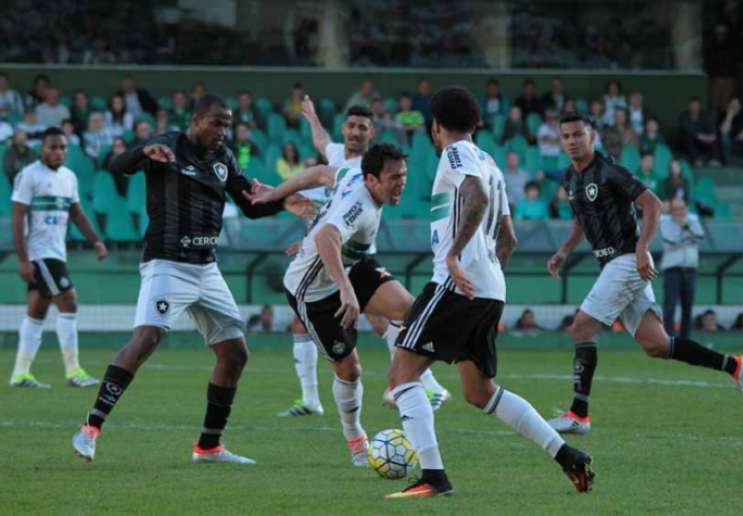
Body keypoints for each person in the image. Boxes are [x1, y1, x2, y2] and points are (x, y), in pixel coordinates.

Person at [71, 94, 308, 464]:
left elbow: (248, 205)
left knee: (235, 354)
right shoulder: (167, 145)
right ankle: (90, 428)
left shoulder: (223, 157)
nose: (222, 131)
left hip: (206, 267)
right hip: (167, 263)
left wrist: (286, 198)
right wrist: (143, 153)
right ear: (196, 120)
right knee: (147, 338)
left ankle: (209, 446)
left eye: (228, 124)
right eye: (216, 122)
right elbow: (117, 165)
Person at [385, 86, 593, 500]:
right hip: (490, 287)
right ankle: (567, 454)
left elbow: (476, 199)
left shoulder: (455, 152)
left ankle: (433, 477)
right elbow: (509, 237)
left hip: (457, 283)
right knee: (480, 392)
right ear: (477, 123)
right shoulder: (491, 163)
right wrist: (487, 275)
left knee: (402, 375)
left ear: (436, 126)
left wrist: (456, 258)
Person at [544, 112, 743, 437]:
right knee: (656, 344)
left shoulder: (610, 171)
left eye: (578, 135)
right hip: (613, 264)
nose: (572, 141)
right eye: (566, 136)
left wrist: (643, 247)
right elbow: (580, 220)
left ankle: (578, 414)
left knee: (582, 327)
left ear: (593, 137)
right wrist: (563, 252)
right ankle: (735, 366)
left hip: (628, 260)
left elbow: (653, 204)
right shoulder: (569, 178)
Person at [254, 144, 428, 466]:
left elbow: (318, 173)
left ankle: (399, 381)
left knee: (414, 312)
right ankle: (356, 439)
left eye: (403, 175)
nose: (401, 183)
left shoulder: (351, 174)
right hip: (313, 291)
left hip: (352, 265)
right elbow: (325, 238)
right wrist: (347, 291)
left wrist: (275, 193)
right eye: (394, 177)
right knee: (350, 371)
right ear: (372, 179)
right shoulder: (359, 205)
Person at [281, 95, 449, 417]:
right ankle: (312, 398)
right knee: (317, 322)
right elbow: (322, 144)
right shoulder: (337, 159)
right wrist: (313, 118)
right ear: (344, 128)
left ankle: (422, 382)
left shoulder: (368, 168)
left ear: (371, 134)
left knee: (389, 317)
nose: (356, 132)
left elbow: (337, 217)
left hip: (356, 259)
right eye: (352, 126)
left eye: (363, 128)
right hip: (331, 257)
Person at [9, 127, 107, 389]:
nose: (58, 152)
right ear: (42, 148)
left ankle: (20, 374)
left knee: (36, 312)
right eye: (53, 147)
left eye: (62, 147)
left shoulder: (69, 177)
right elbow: (17, 219)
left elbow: (77, 214)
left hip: (56, 253)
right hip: (39, 253)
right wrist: (23, 259)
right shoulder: (29, 175)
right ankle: (74, 371)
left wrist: (96, 241)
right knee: (69, 303)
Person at [660, 198, 704, 339]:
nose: (679, 212)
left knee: (687, 307)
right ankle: (668, 340)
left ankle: (685, 340)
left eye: (682, 208)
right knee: (669, 307)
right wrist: (685, 234)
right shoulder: (665, 222)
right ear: (671, 210)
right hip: (673, 271)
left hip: (690, 270)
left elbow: (700, 237)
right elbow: (670, 243)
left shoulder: (693, 220)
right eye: (676, 209)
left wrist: (686, 227)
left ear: (686, 208)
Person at [678, 97, 718, 166]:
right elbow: (687, 129)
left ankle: (714, 159)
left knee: (713, 138)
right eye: (692, 105)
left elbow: (711, 127)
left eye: (696, 106)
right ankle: (695, 160)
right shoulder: (684, 115)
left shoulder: (704, 116)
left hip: (702, 142)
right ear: (689, 106)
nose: (694, 108)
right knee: (689, 136)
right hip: (686, 144)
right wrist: (699, 136)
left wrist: (710, 136)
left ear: (699, 106)